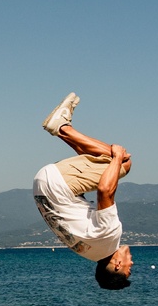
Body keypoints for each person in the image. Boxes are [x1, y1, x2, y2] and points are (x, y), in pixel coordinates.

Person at [32, 93, 134, 290]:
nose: (132, 264)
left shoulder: (109, 237)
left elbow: (105, 191)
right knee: (101, 160)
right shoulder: (89, 252)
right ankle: (61, 128)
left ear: (117, 265)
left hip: (58, 184)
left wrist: (118, 156)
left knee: (123, 162)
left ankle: (61, 128)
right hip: (43, 189)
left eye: (129, 270)